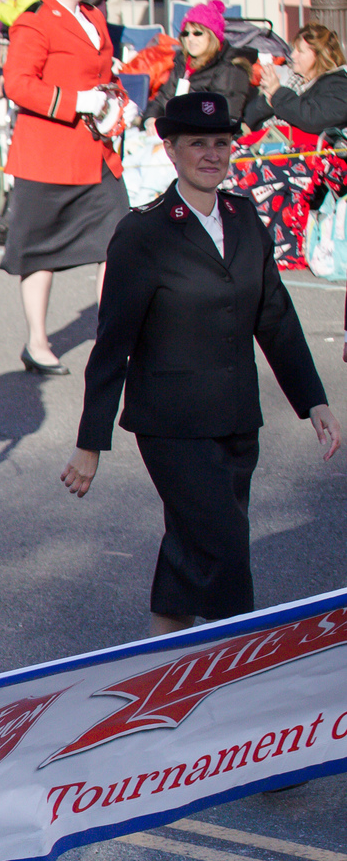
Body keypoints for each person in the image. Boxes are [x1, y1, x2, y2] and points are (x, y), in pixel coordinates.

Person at [66, 91, 336, 631]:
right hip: (173, 424)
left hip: (237, 419)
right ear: (170, 150)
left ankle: (164, 665)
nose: (212, 154)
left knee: (193, 547)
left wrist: (313, 401)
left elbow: (275, 317)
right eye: (197, 144)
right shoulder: (143, 232)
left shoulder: (243, 218)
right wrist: (90, 441)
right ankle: (232, 673)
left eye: (221, 142)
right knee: (224, 548)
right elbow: (112, 342)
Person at [0, 0, 124, 375]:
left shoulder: (93, 17)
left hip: (96, 153)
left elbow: (106, 78)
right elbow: (17, 84)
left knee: (119, 243)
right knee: (40, 253)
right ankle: (36, 341)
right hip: (47, 156)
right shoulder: (33, 22)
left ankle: (112, 336)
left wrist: (121, 105)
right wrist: (76, 101)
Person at [143, 2, 254, 128]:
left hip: (208, 141)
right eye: (186, 33)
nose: (190, 38)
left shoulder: (230, 68)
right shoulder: (182, 63)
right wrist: (150, 120)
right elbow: (162, 99)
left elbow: (224, 117)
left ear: (212, 36)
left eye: (197, 33)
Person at [245, 22, 347, 133]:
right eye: (294, 49)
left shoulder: (338, 85)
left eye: (300, 51)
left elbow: (313, 119)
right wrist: (268, 101)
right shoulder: (292, 80)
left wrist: (277, 93)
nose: (293, 55)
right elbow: (250, 118)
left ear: (319, 56)